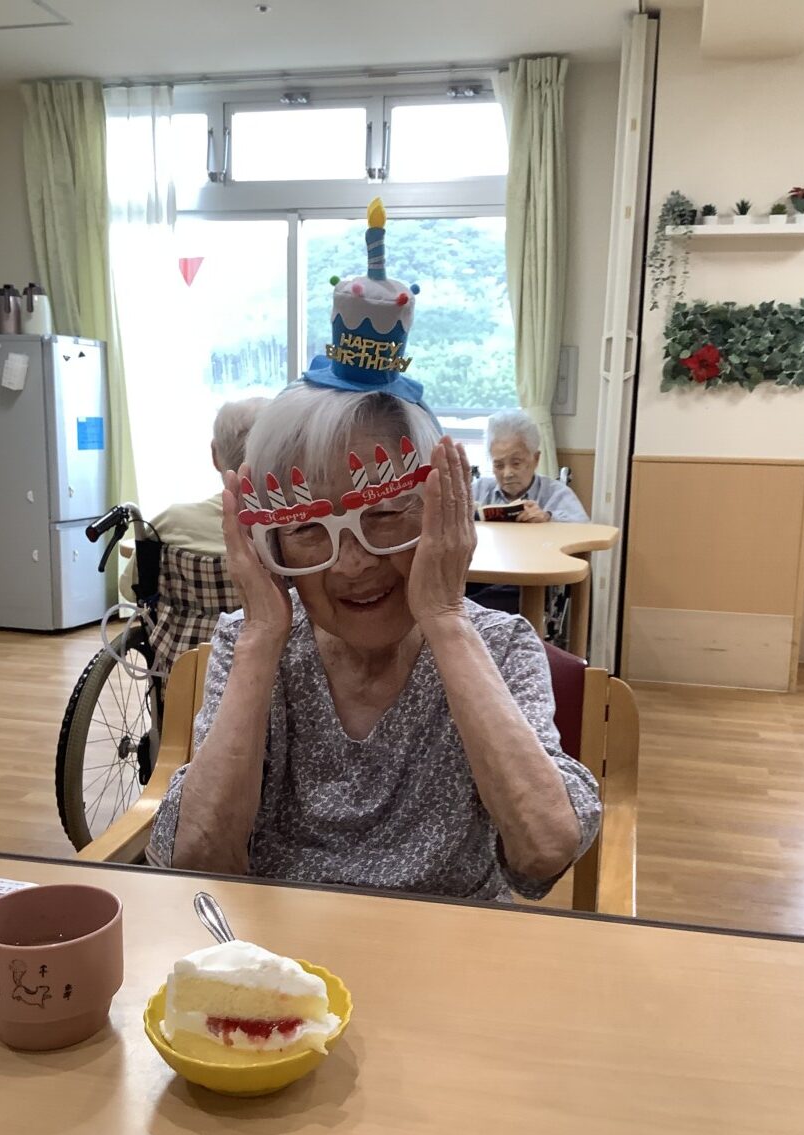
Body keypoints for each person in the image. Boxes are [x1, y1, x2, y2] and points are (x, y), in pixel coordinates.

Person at [147, 201, 599, 903]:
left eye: (385, 515)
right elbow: (198, 860)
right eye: (308, 529)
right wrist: (263, 636)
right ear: (268, 541)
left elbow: (544, 850)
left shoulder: (501, 646)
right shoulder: (250, 645)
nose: (351, 563)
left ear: (443, 513)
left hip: (447, 955)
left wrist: (446, 620)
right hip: (278, 958)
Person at [119, 396, 265, 599]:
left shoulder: (170, 523)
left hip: (178, 621)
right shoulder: (290, 531)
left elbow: (132, 590)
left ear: (214, 455)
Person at [473, 409, 589, 524]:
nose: (507, 474)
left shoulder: (556, 493)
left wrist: (548, 518)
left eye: (516, 463)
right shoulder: (479, 490)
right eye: (499, 465)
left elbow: (584, 527)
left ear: (536, 459)